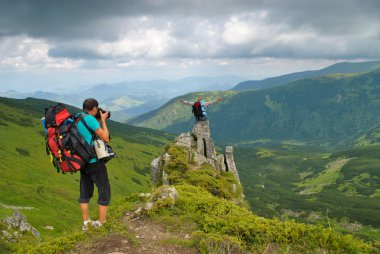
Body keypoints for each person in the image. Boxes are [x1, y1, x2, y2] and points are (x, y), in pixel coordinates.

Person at [76, 98, 111, 230]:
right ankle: (101, 223)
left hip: (82, 162)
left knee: (84, 193)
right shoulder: (90, 119)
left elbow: (87, 133)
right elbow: (106, 137)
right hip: (94, 162)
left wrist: (95, 120)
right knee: (104, 190)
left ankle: (86, 223)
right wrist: (102, 120)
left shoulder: (77, 118)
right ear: (95, 108)